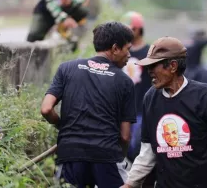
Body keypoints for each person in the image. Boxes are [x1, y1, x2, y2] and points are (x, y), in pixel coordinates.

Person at [121, 36, 207, 188]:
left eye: (154, 66)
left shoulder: (205, 96)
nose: (149, 72)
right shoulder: (150, 98)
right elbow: (148, 151)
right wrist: (129, 184)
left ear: (173, 66)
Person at [40, 21, 136, 188]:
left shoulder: (66, 68)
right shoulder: (125, 82)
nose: (129, 55)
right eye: (127, 49)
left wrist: (62, 125)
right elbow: (125, 136)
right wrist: (120, 157)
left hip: (70, 154)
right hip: (107, 157)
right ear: (115, 48)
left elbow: (46, 109)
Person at [120, 11, 156, 188]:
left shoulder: (149, 52)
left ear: (139, 29)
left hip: (142, 107)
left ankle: (138, 179)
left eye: (131, 29)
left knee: (137, 145)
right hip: (122, 108)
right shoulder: (119, 52)